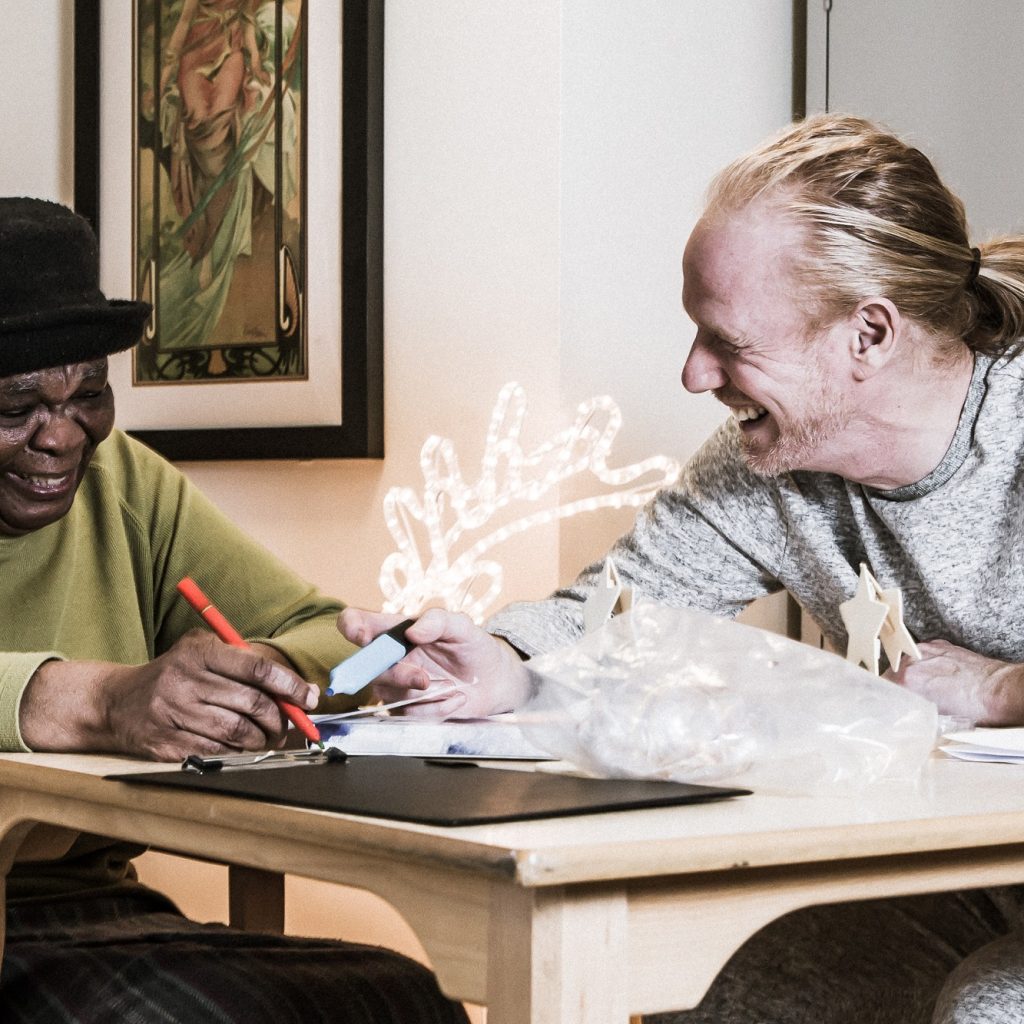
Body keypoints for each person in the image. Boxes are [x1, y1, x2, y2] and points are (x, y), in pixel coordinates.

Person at [339, 114, 1024, 1023]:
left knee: (990, 1008)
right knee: (708, 990)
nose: (694, 374)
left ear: (868, 334)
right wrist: (499, 663)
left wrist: (1005, 689)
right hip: (976, 881)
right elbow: (611, 610)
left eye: (728, 341)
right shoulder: (765, 470)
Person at [0, 197, 468, 1023]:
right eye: (17, 408)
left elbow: (323, 625)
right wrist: (102, 701)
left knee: (404, 1000)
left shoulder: (125, 483)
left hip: (97, 914)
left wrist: (250, 677)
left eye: (90, 397)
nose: (61, 437)